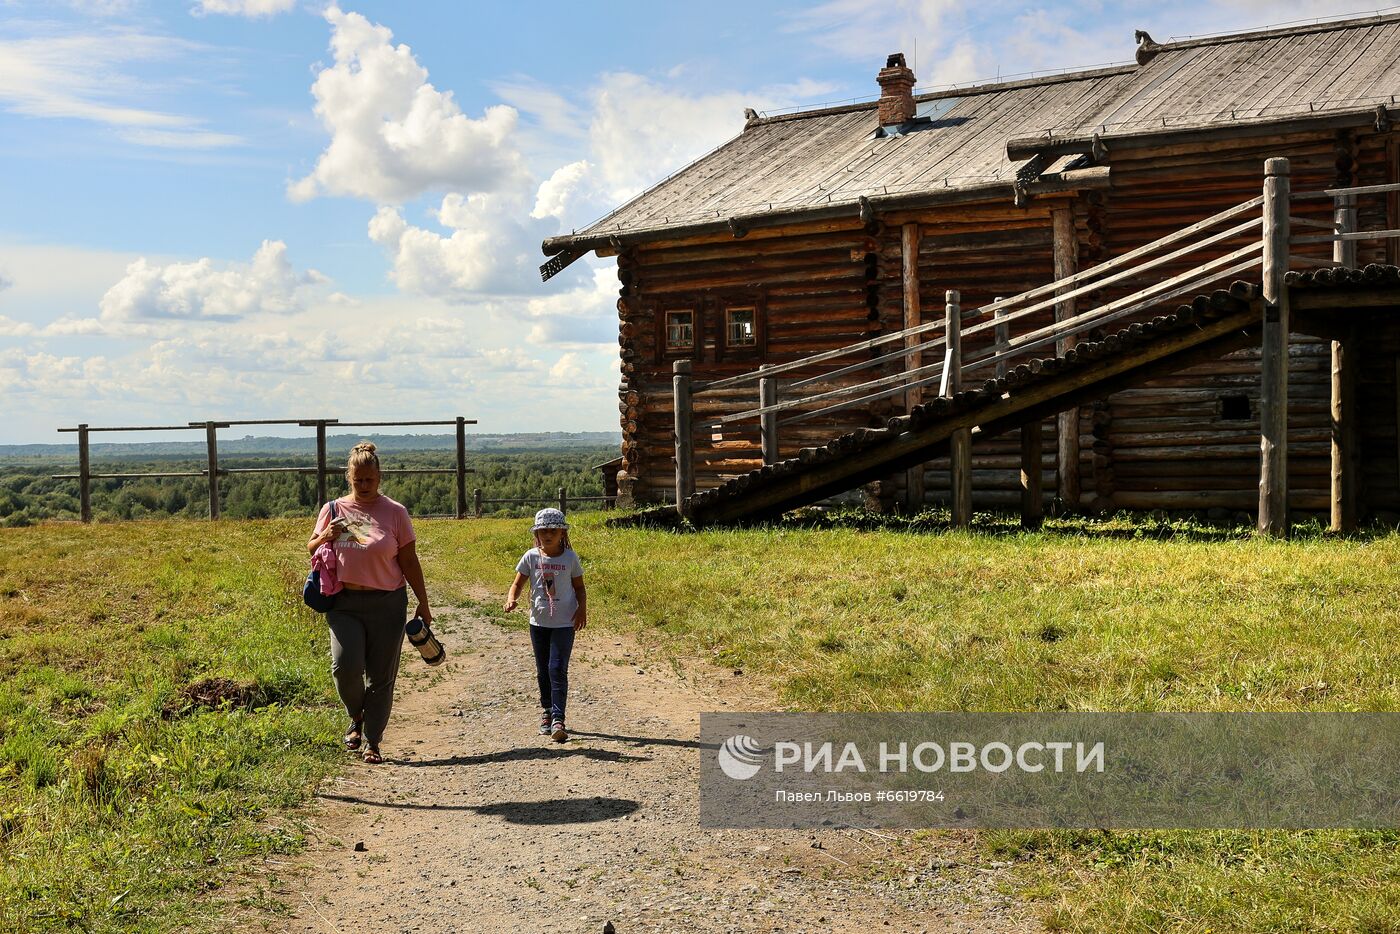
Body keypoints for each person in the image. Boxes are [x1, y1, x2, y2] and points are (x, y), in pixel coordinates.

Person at [307, 441, 431, 764]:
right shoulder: (333, 510)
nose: (363, 486)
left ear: (379, 477)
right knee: (344, 667)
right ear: (349, 477)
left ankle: (372, 740)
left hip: (387, 603)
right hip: (343, 602)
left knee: (380, 676)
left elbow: (409, 560)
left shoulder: (395, 513)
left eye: (369, 480)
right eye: (358, 480)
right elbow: (311, 547)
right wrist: (325, 536)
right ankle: (356, 717)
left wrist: (423, 601)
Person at [504, 508, 586, 742]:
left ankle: (559, 718)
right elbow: (517, 584)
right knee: (543, 671)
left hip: (564, 623)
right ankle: (547, 711)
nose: (547, 535)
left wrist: (582, 609)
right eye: (543, 531)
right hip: (538, 623)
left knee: (556, 668)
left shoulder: (570, 558)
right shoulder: (531, 557)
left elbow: (579, 588)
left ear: (562, 533)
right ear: (537, 533)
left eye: (553, 531)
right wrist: (512, 598)